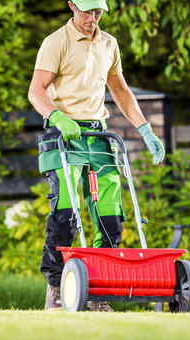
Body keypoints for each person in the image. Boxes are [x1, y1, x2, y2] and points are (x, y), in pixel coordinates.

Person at [27, 0, 165, 311]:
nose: (93, 17)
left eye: (98, 11)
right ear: (72, 5)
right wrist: (57, 117)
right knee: (66, 210)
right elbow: (36, 90)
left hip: (98, 136)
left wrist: (145, 130)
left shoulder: (109, 43)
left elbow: (121, 91)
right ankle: (55, 288)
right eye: (88, 11)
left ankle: (98, 292)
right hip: (62, 134)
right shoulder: (56, 42)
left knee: (110, 213)